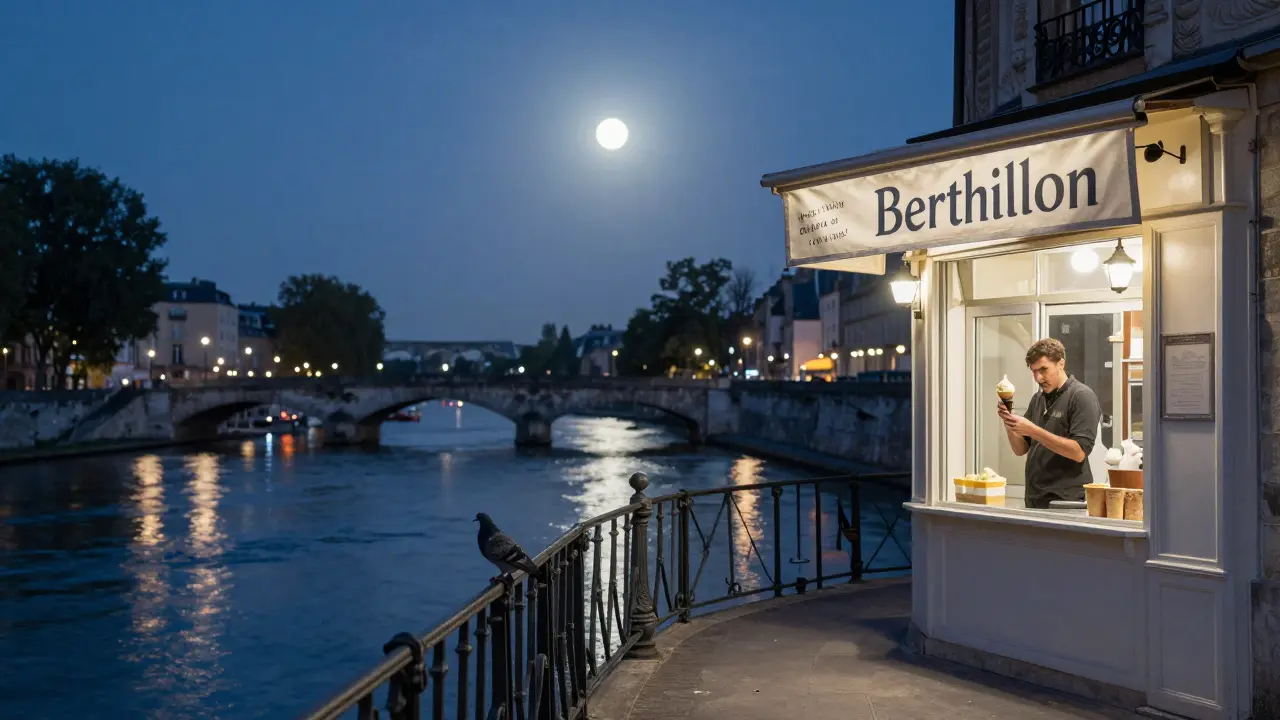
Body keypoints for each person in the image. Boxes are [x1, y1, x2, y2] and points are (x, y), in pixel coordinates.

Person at [998, 338, 1101, 509]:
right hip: (1034, 498)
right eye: (1034, 371)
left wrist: (1033, 430)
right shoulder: (1038, 399)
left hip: (1067, 501)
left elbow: (1079, 452)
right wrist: (1008, 421)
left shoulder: (1081, 396)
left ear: (1061, 364)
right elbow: (1020, 449)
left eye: (1043, 370)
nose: (1038, 378)